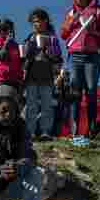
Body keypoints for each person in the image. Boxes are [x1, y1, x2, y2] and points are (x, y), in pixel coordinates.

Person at [61, 0, 100, 135]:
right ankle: (75, 130)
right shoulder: (71, 13)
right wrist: (71, 23)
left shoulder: (99, 11)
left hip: (93, 56)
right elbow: (63, 34)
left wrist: (94, 31)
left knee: (91, 91)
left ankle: (91, 128)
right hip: (74, 55)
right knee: (74, 92)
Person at [23, 8, 64, 140]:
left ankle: (46, 132)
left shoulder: (52, 39)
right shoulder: (30, 37)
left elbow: (58, 57)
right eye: (33, 22)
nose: (36, 24)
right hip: (32, 76)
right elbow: (24, 57)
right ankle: (30, 132)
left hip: (47, 76)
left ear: (45, 21)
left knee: (47, 105)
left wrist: (47, 50)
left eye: (38, 21)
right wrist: (27, 49)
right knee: (31, 105)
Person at [0, 17, 23, 92]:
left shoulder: (16, 46)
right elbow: (1, 57)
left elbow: (20, 63)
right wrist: (6, 43)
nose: (8, 31)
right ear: (0, 31)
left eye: (11, 29)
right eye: (5, 29)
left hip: (15, 80)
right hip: (1, 79)